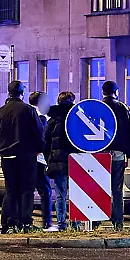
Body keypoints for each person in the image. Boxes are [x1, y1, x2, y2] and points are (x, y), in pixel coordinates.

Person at [0, 80, 44, 234]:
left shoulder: (0, 112)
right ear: (22, 93)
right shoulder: (28, 110)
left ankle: (8, 223)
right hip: (26, 156)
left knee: (11, 190)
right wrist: (39, 150)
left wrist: (0, 149)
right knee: (27, 190)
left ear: (9, 93)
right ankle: (25, 222)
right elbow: (39, 133)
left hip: (7, 156)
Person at [101, 80, 130, 231]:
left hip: (99, 154)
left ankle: (97, 220)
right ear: (116, 92)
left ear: (103, 92)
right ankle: (118, 222)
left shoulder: (98, 107)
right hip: (118, 154)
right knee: (117, 188)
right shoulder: (122, 108)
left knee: (99, 187)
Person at [44, 92, 77, 231]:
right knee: (76, 194)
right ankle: (76, 223)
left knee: (60, 194)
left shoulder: (52, 121)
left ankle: (61, 223)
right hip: (76, 162)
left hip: (57, 161)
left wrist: (49, 159)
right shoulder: (76, 119)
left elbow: (46, 143)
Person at [29, 91, 54, 230]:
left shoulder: (26, 115)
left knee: (27, 190)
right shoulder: (41, 119)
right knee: (45, 191)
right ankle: (46, 221)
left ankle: (26, 219)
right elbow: (43, 140)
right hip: (39, 159)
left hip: (26, 159)